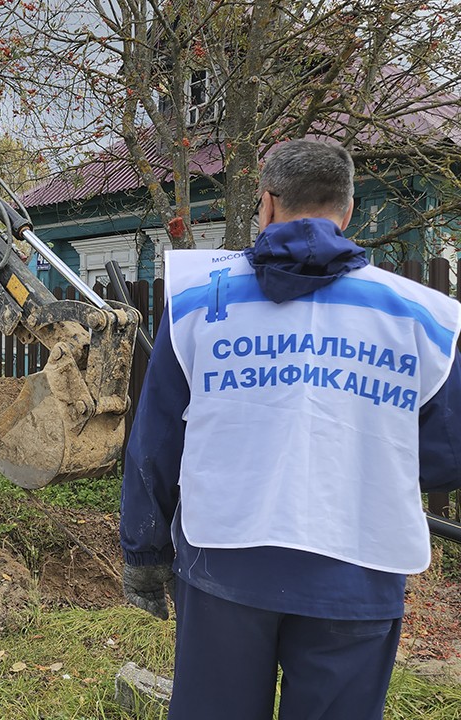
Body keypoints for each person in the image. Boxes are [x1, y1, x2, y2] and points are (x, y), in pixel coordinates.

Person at [120, 139, 461, 720]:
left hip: (225, 560)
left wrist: (144, 552)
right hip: (358, 569)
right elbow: (446, 454)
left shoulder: (201, 303)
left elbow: (155, 446)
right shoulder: (423, 318)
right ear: (347, 212)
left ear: (268, 204)